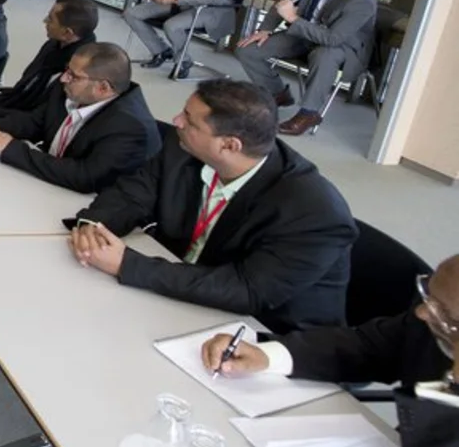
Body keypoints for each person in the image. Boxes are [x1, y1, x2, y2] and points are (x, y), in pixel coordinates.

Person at [67, 80, 357, 333]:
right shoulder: (182, 149)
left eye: (190, 121)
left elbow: (246, 290)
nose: (177, 121)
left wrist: (126, 263)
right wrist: (95, 226)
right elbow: (132, 193)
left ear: (229, 146)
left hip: (261, 336)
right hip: (182, 295)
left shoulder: (314, 212)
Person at [200, 253, 459, 447]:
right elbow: (371, 346)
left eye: (441, 311)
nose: (423, 312)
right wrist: (269, 355)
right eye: (428, 294)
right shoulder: (431, 314)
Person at [0, 42, 161, 193]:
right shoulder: (71, 90)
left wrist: (13, 149)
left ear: (103, 88)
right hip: (47, 185)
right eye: (67, 70)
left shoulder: (128, 127)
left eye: (73, 76)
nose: (63, 79)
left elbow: (85, 177)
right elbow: (36, 121)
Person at [236, 0, 378, 136]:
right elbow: (283, 2)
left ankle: (309, 113)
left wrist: (294, 19)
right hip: (304, 34)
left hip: (343, 47)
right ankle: (277, 93)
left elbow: (332, 39)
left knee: (324, 54)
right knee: (247, 50)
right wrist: (265, 29)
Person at [0, 0, 100, 114]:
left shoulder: (75, 71)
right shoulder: (52, 44)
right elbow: (24, 85)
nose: (45, 21)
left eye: (51, 19)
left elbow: (40, 116)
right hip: (14, 102)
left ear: (67, 33)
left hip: (23, 119)